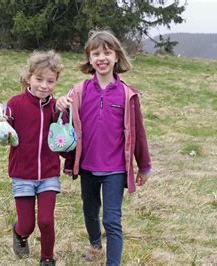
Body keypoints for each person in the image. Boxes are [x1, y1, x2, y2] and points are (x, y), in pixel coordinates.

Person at [56, 30, 152, 265]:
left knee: (111, 219)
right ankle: (95, 245)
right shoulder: (79, 91)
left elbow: (138, 132)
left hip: (115, 169)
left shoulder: (128, 95)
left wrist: (144, 166)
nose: (101, 58)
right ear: (89, 58)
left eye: (107, 53)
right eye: (95, 53)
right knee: (90, 212)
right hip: (87, 165)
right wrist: (60, 105)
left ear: (116, 57)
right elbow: (64, 125)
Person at [0, 50, 72, 266]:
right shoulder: (15, 104)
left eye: (50, 81)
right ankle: (19, 233)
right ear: (29, 78)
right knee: (27, 224)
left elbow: (64, 135)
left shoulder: (56, 107)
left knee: (45, 220)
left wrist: (64, 110)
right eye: (39, 79)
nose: (44, 85)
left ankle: (47, 258)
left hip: (48, 173)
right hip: (22, 174)